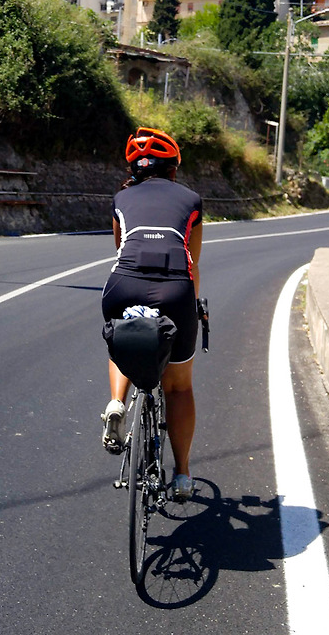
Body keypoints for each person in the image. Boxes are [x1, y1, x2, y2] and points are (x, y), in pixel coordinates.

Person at [100, 127, 202, 503]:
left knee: (124, 337)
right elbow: (192, 263)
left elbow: (120, 248)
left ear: (135, 169)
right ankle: (183, 475)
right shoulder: (191, 199)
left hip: (124, 284)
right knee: (178, 387)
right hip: (175, 288)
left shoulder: (121, 198)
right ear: (173, 169)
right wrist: (192, 307)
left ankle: (116, 402)